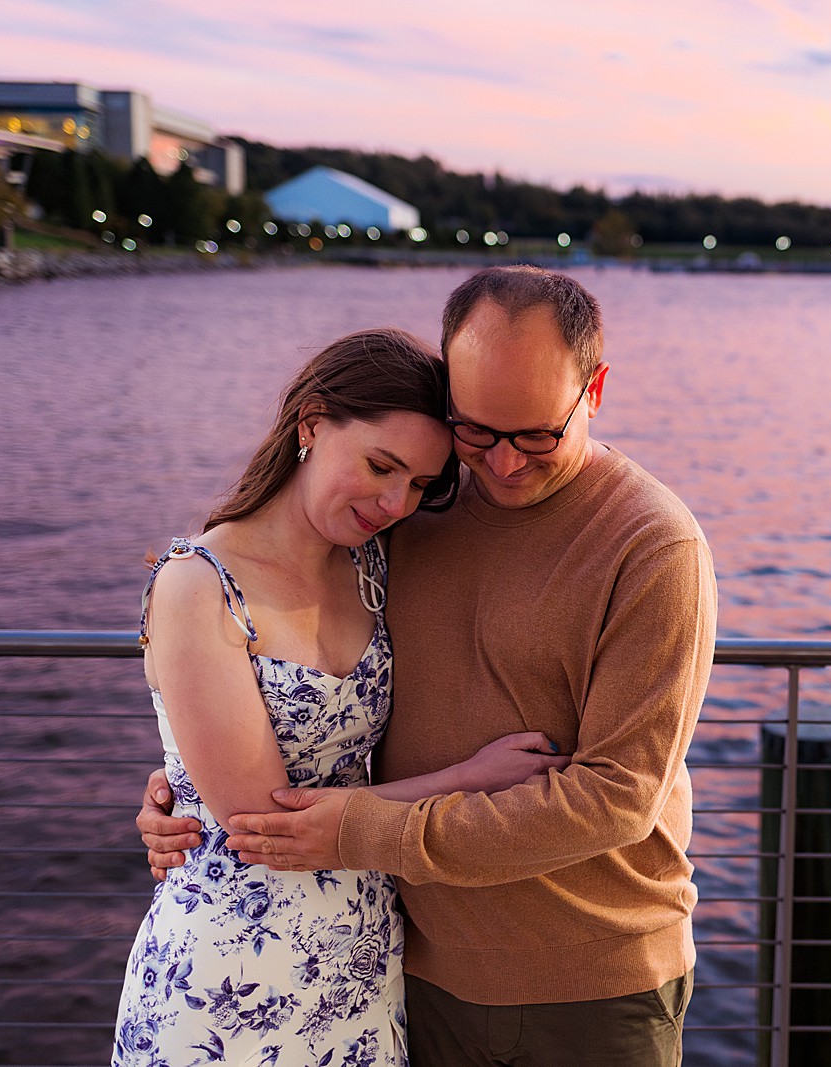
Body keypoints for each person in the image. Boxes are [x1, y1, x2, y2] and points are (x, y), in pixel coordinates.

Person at [140, 266, 719, 1066]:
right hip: (410, 970)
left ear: (595, 389)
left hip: (589, 982)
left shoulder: (656, 546)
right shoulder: (416, 513)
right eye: (477, 432)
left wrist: (365, 828)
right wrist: (180, 784)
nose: (506, 464)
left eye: (536, 435)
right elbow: (282, 665)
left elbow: (619, 797)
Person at [113, 326, 569, 1067]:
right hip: (228, 975)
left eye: (420, 484)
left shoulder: (372, 567)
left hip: (362, 961)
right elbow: (260, 824)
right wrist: (469, 781)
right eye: (380, 465)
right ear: (312, 423)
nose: (395, 501)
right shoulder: (198, 585)